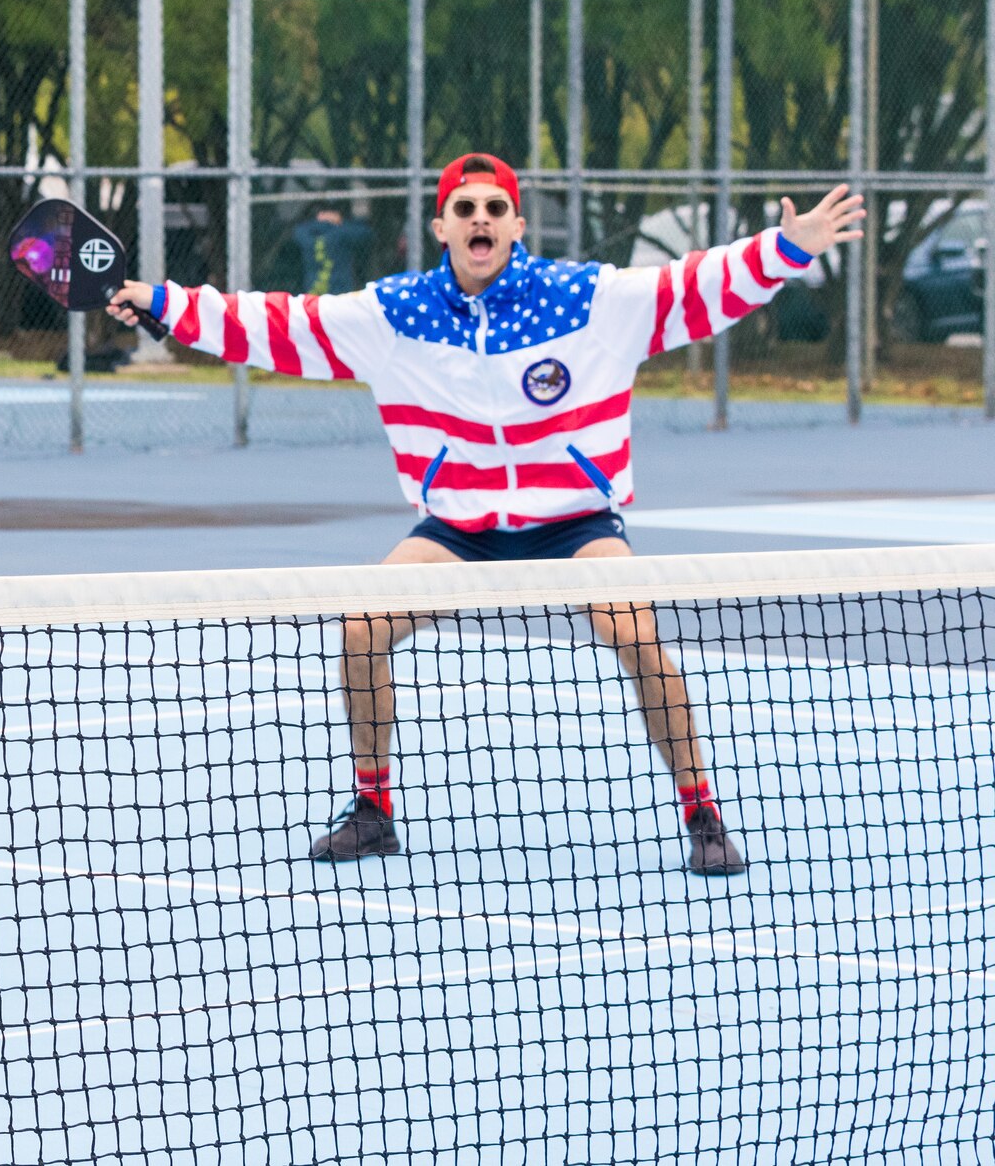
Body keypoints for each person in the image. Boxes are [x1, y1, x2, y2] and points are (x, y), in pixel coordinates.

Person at [106, 153, 866, 876]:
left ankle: (702, 813)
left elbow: (696, 287)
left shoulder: (588, 299)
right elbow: (278, 323)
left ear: (517, 224)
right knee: (362, 626)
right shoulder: (393, 314)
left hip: (573, 525)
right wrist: (164, 305)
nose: (481, 219)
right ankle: (373, 809)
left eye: (495, 208)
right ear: (441, 227)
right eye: (464, 208)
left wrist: (785, 250)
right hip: (459, 531)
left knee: (632, 631)